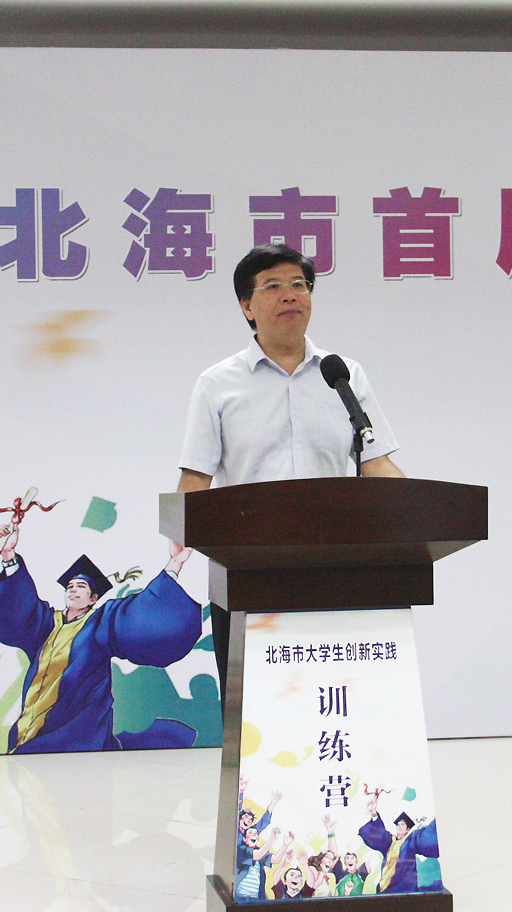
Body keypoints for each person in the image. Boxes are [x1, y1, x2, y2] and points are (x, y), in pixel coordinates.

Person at [176, 243, 406, 683]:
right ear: (247, 306)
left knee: (332, 696)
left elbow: (375, 461)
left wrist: (416, 510)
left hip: (334, 569)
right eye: (273, 286)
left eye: (300, 285)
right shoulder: (217, 384)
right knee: (254, 708)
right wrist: (189, 536)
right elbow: (195, 480)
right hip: (248, 574)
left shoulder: (343, 375)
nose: (290, 295)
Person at [0, 522, 202, 754]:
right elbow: (18, 607)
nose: (72, 589)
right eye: (70, 586)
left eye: (80, 586)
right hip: (28, 727)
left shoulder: (100, 623)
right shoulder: (45, 623)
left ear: (93, 598)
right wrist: (8, 555)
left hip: (76, 732)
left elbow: (140, 616)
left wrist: (175, 563)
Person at [358, 796, 440, 894]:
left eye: (402, 825)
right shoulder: (389, 841)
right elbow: (378, 834)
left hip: (404, 889)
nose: (399, 827)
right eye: (398, 824)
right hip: (385, 889)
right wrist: (373, 813)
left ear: (408, 829)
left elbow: (426, 838)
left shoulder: (410, 841)